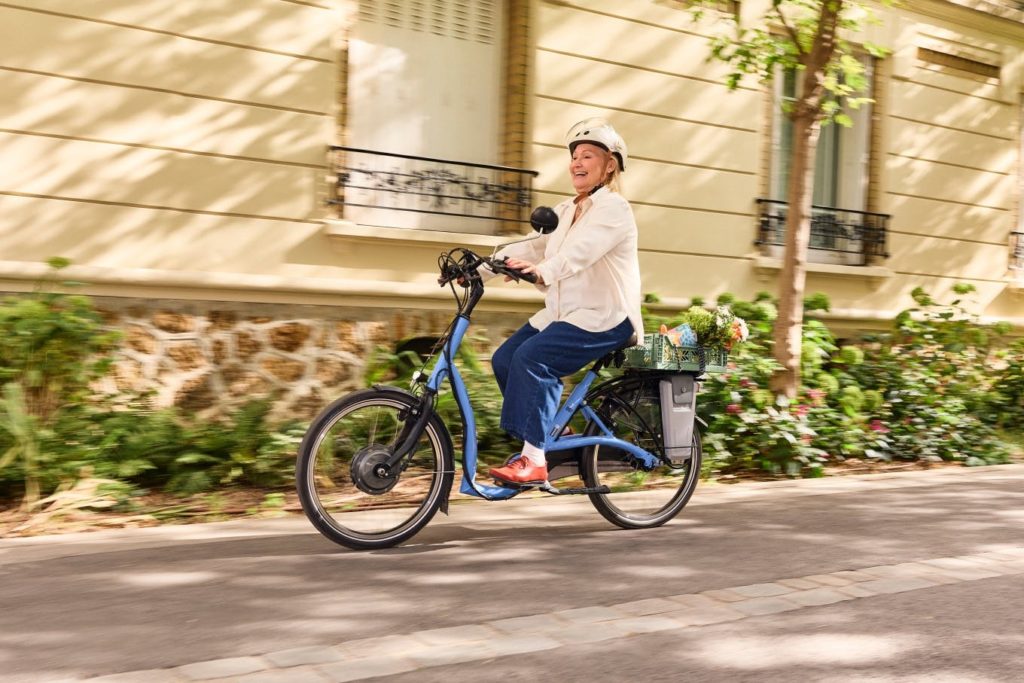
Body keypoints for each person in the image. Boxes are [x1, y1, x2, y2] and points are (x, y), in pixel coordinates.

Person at [486, 118, 643, 485]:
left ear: (610, 165)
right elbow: (533, 245)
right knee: (505, 359)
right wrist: (480, 268)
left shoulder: (614, 209)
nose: (576, 163)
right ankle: (557, 437)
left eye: (587, 155)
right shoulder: (566, 210)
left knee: (533, 359)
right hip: (565, 313)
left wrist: (542, 272)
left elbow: (580, 253)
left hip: (606, 316)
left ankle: (535, 460)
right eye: (574, 156)